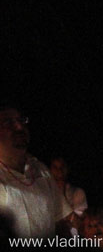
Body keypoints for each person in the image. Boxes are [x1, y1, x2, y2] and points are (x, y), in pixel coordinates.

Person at [0, 101, 73, 239]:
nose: (19, 126)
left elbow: (61, 222)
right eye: (8, 122)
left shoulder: (41, 170)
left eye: (21, 120)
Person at [49, 157, 88, 228]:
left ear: (67, 169)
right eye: (55, 167)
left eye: (62, 167)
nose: (59, 171)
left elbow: (79, 224)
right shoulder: (43, 193)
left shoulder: (78, 193)